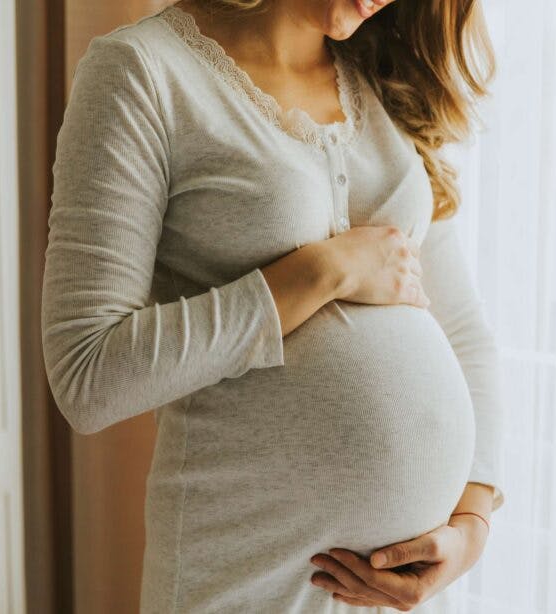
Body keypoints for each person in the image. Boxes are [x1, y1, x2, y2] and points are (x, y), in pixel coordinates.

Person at [41, 0, 505, 611]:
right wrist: (318, 273)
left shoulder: (382, 74)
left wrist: (471, 523)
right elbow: (86, 376)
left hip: (397, 592)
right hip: (245, 577)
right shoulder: (144, 74)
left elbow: (462, 329)